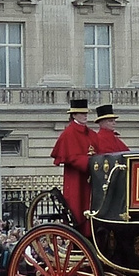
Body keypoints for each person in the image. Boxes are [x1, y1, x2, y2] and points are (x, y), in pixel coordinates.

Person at [51, 97, 94, 228]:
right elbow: (71, 157)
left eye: (86, 113)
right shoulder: (69, 133)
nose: (85, 116)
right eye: (82, 113)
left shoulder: (90, 133)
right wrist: (90, 162)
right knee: (78, 205)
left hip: (91, 176)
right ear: (74, 115)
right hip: (77, 177)